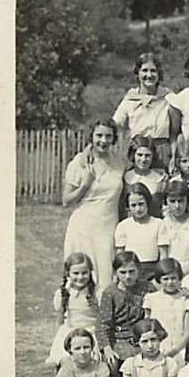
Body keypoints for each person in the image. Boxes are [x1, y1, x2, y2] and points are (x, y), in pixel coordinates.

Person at [63, 118, 126, 293]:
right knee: (82, 277)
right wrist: (85, 184)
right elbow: (66, 200)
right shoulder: (80, 162)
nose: (103, 141)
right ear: (91, 136)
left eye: (108, 136)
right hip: (83, 227)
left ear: (114, 139)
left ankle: (103, 319)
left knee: (106, 277)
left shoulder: (120, 163)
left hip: (108, 227)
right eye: (99, 135)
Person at [112, 52, 180, 170]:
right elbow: (114, 124)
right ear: (137, 73)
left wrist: (175, 156)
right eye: (144, 71)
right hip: (138, 151)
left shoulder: (169, 97)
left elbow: (176, 133)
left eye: (153, 71)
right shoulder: (130, 98)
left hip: (162, 153)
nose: (149, 75)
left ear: (159, 74)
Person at [97, 251, 148, 377]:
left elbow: (167, 290)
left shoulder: (147, 288)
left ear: (139, 270)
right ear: (116, 273)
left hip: (140, 339)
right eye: (123, 272)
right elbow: (102, 324)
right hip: (118, 340)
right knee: (114, 364)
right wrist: (106, 347)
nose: (127, 276)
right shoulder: (110, 293)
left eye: (132, 271)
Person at [46, 253, 99, 368]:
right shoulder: (63, 293)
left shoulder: (97, 293)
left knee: (93, 363)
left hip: (92, 333)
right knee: (66, 363)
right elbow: (59, 320)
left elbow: (102, 319)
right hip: (70, 333)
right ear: (68, 273)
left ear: (90, 272)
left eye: (84, 273)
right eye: (75, 273)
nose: (80, 277)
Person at [142, 259, 189, 360]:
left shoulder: (186, 300)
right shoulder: (151, 299)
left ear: (179, 278)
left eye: (173, 278)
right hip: (156, 348)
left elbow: (187, 332)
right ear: (159, 279)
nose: (170, 282)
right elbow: (147, 328)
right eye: (165, 279)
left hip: (179, 350)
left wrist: (174, 351)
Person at [114, 182, 166, 282]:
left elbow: (163, 255)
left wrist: (159, 277)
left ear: (148, 202)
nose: (138, 209)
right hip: (130, 273)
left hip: (152, 273)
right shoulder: (123, 226)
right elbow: (119, 255)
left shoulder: (159, 224)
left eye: (141, 204)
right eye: (133, 205)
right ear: (128, 207)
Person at [159, 180, 189, 281]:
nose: (177, 206)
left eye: (181, 200)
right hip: (171, 275)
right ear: (166, 202)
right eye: (172, 201)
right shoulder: (163, 224)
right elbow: (163, 256)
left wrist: (187, 274)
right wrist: (171, 275)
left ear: (187, 201)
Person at [119, 136, 167, 219]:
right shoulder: (125, 177)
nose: (143, 159)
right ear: (133, 155)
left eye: (147, 155)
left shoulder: (160, 179)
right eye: (139, 155)